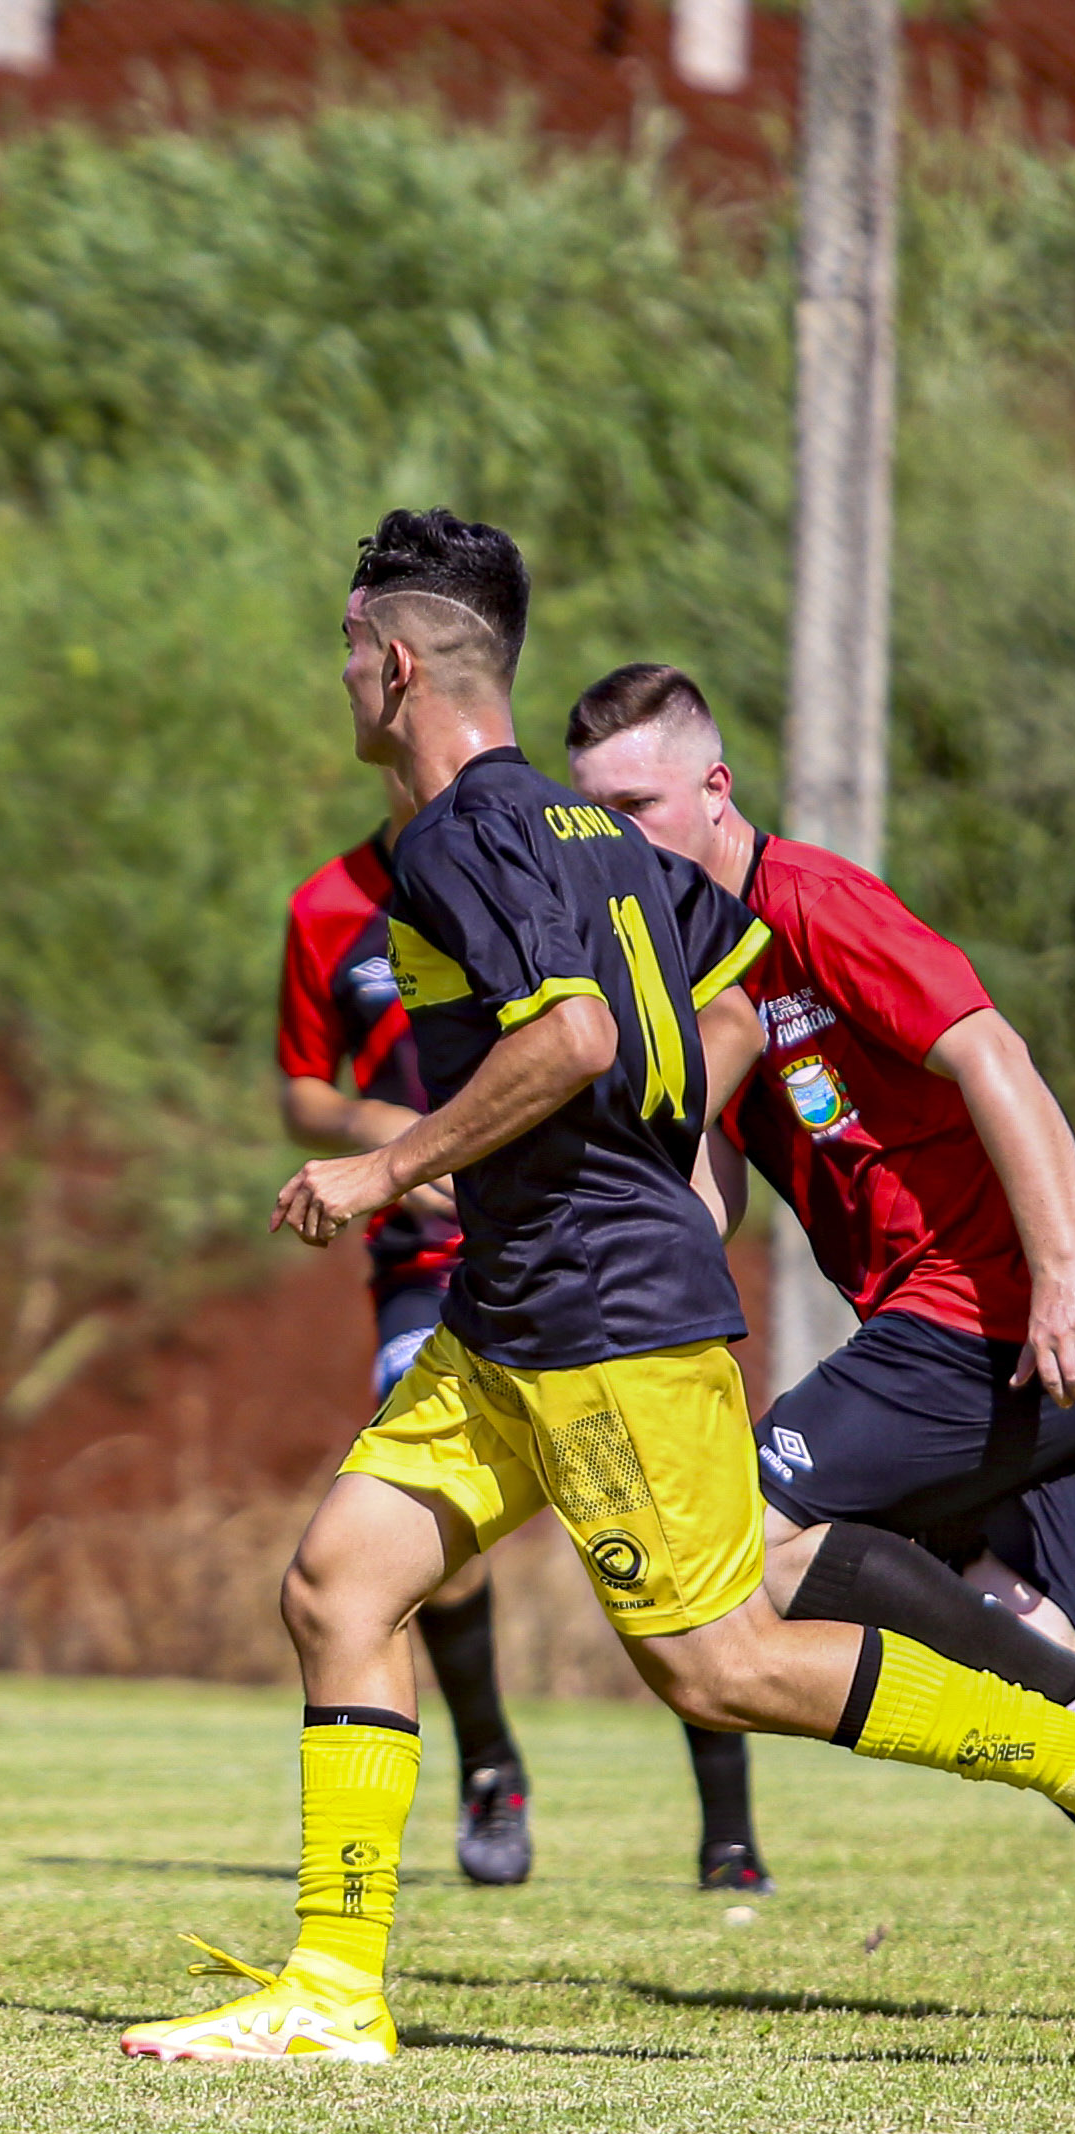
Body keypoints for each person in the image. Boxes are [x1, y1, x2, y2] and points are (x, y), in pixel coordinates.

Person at [122, 510, 1075, 2066]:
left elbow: (569, 1036)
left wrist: (389, 1162)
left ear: (398, 664)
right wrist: (637, 1157)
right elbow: (727, 978)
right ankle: (333, 1990)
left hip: (601, 1318)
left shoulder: (459, 838)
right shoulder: (591, 836)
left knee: (720, 1665)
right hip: (517, 1305)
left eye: (349, 649)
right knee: (339, 1585)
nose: (340, 676)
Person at [561, 660, 1075, 2034]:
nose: (618, 838)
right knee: (1022, 1648)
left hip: (992, 1319)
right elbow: (711, 1184)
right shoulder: (691, 966)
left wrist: (1059, 1273)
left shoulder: (814, 904)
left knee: (750, 1541)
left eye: (639, 806)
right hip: (991, 1341)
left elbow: (994, 1058)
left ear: (716, 790)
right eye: (594, 815)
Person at [277, 781, 768, 1890]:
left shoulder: (542, 851)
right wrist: (376, 1135)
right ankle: (486, 1769)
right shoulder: (328, 906)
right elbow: (301, 1088)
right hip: (429, 1273)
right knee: (370, 1556)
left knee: (698, 1609)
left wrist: (656, 1161)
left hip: (592, 1264)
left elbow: (632, 1027)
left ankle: (731, 1832)